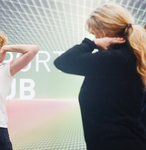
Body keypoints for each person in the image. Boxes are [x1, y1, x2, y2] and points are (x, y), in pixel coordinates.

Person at [54, 3, 146, 150]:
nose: (94, 37)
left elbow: (63, 61)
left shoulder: (116, 59)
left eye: (94, 33)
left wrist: (91, 44)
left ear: (104, 31)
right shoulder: (128, 57)